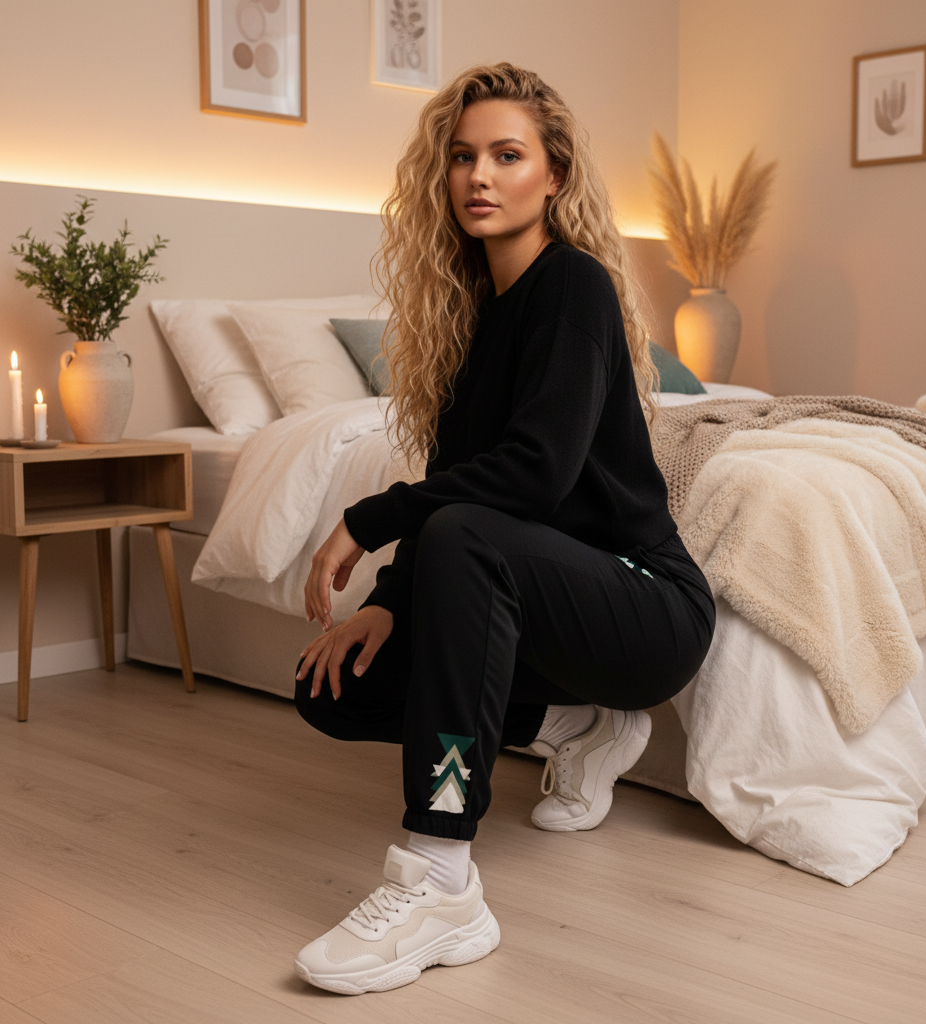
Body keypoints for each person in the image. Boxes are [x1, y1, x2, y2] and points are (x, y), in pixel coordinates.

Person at [291, 62, 715, 995]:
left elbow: (533, 475)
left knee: (465, 537)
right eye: (462, 157)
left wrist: (366, 522)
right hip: (549, 613)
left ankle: (440, 873)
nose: (480, 176)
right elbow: (456, 486)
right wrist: (393, 605)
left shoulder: (577, 289)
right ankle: (575, 719)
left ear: (554, 176)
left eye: (507, 155)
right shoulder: (472, 325)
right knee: (335, 689)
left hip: (646, 606)